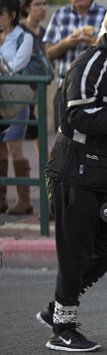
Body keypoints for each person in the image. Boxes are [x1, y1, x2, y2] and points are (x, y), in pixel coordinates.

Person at [36, 2, 107, 352]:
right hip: (75, 170)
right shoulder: (91, 64)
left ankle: (58, 306)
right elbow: (80, 119)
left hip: (104, 172)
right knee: (76, 251)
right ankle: (63, 328)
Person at [43, 0, 106, 131]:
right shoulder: (60, 14)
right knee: (62, 135)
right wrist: (66, 43)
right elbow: (48, 53)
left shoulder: (105, 14)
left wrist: (95, 43)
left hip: (97, 88)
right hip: (65, 87)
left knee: (93, 136)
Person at [0, 0, 34, 215]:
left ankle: (24, 200)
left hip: (15, 98)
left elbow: (16, 66)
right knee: (0, 147)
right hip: (1, 98)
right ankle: (1, 198)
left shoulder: (24, 37)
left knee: (15, 147)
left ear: (12, 15)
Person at [20, 0, 52, 153]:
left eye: (45, 4)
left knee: (35, 131)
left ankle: (45, 173)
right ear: (27, 7)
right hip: (19, 92)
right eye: (38, 4)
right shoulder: (18, 31)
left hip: (37, 90)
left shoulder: (45, 32)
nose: (43, 8)